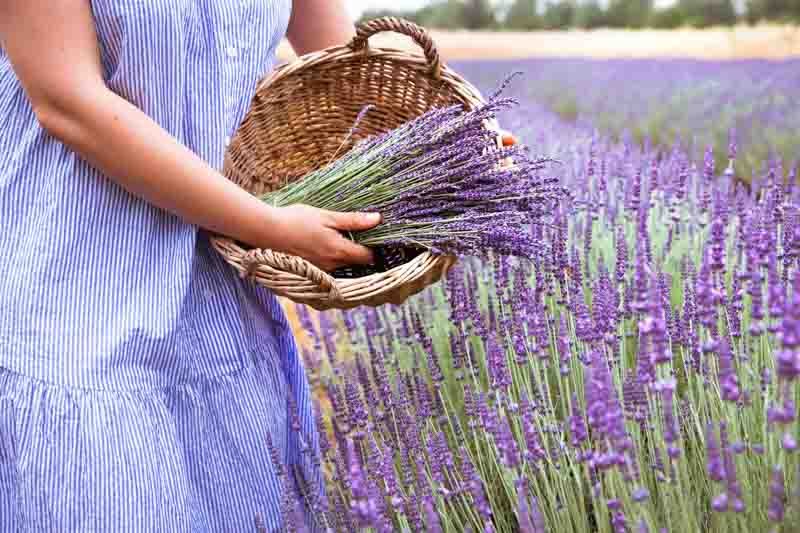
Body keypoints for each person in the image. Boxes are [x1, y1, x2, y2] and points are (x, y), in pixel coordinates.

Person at [0, 1, 377, 531]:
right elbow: (67, 102)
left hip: (220, 309)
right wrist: (267, 225)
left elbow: (344, 72)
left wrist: (448, 144)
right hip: (75, 297)